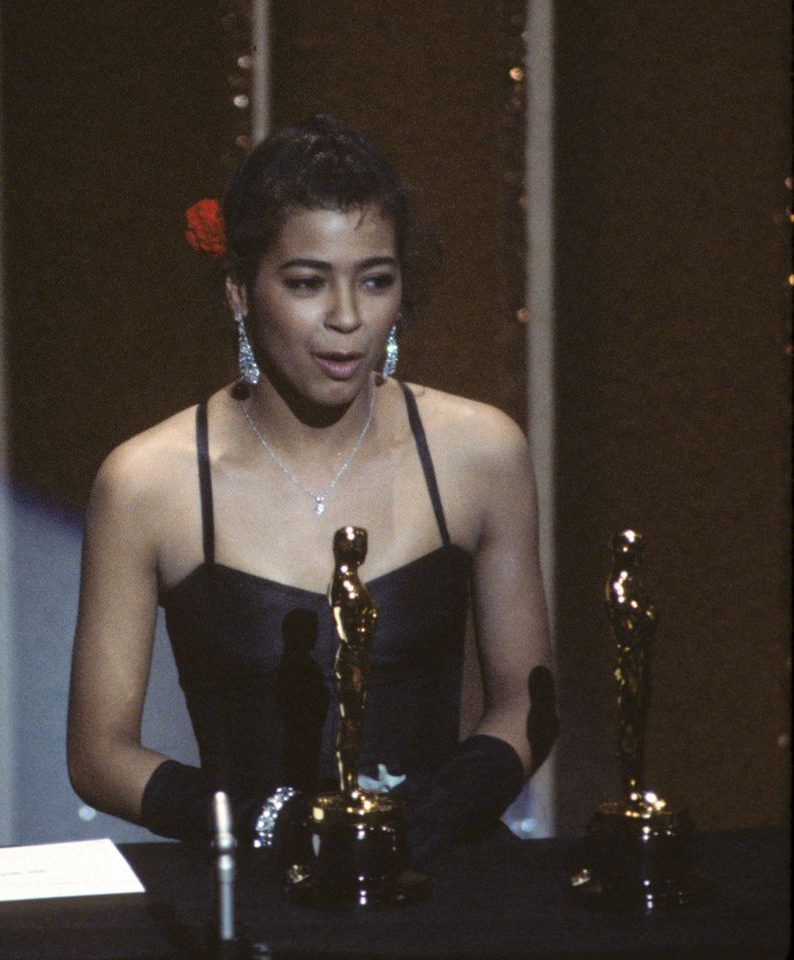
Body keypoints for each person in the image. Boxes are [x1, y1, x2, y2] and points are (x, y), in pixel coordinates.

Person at [67, 115, 557, 868]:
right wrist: (274, 825)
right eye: (306, 283)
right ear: (239, 290)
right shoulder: (149, 483)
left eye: (375, 280)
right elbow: (99, 755)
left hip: (442, 881)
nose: (346, 319)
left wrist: (453, 801)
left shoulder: (478, 451)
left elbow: (528, 700)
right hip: (256, 889)